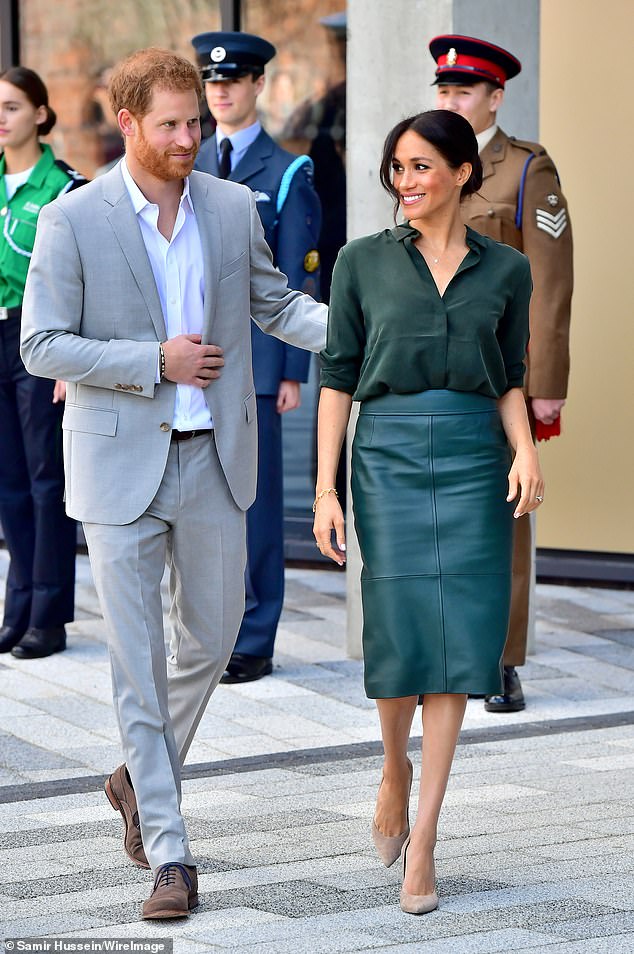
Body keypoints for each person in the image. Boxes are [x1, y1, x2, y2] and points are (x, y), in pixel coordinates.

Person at [20, 47, 326, 920]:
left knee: (214, 635)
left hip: (213, 457)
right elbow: (42, 344)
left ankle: (134, 775)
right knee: (136, 662)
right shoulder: (73, 221)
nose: (190, 137)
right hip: (118, 463)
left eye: (196, 121)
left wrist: (364, 330)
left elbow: (277, 304)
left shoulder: (233, 207)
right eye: (171, 125)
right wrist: (156, 362)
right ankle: (171, 850)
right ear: (127, 124)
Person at [313, 110, 543, 915]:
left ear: (461, 172)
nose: (406, 183)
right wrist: (324, 488)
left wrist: (525, 449)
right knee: (402, 626)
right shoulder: (360, 263)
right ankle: (392, 766)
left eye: (421, 167)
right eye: (398, 169)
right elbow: (337, 376)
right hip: (390, 457)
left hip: (476, 454)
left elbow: (510, 371)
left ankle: (427, 841)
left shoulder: (507, 269)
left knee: (456, 642)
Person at [430, 34, 573, 713]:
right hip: (433, 373)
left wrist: (547, 384)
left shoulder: (525, 169)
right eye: (444, 89)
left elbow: (551, 284)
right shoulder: (425, 161)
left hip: (501, 378)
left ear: (495, 96)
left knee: (504, 514)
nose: (450, 99)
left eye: (463, 90)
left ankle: (501, 657)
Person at [192, 31, 321, 685]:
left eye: (234, 81)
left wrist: (291, 371)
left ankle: (257, 635)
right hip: (192, 367)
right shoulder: (185, 164)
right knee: (203, 503)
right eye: (213, 82)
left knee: (257, 505)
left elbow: (298, 282)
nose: (222, 91)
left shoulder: (289, 171)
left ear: (258, 86)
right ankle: (214, 634)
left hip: (258, 369)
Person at [0, 67, 86, 660]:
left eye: (10, 105)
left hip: (37, 339)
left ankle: (48, 617)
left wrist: (67, 360)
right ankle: (17, 605)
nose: (1, 117)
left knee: (44, 479)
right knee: (7, 484)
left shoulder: (63, 185)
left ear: (40, 113)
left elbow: (78, 277)